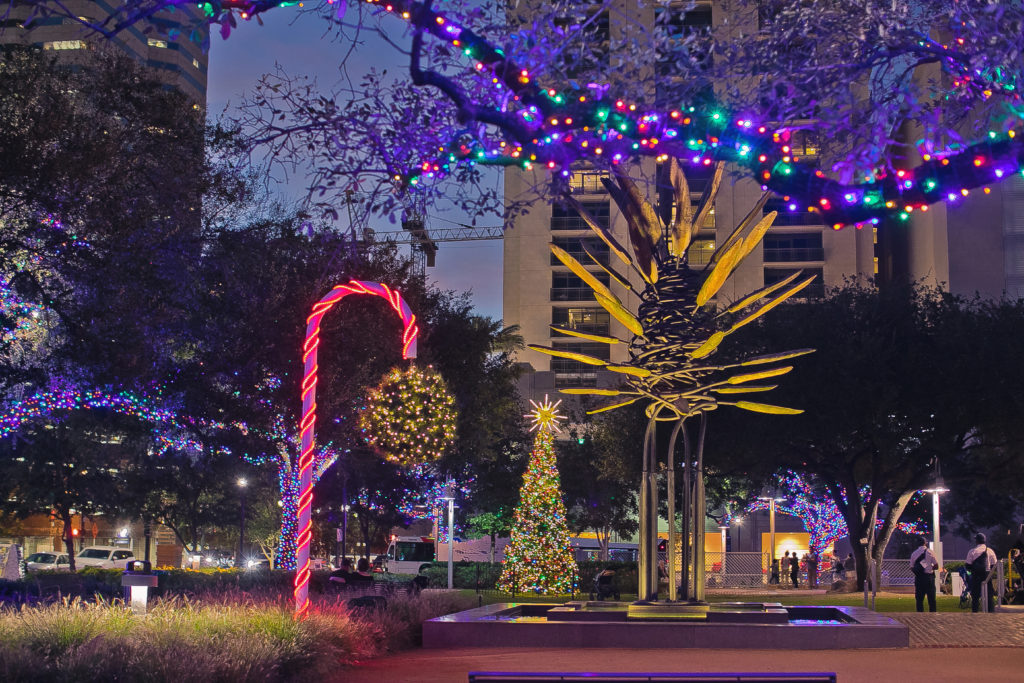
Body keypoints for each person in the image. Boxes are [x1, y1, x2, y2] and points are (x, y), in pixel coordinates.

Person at [965, 533, 998, 612]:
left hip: (976, 575)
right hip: (987, 575)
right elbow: (994, 564)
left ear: (976, 541)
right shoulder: (990, 551)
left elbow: (968, 565)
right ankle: (990, 611)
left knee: (975, 595)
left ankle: (975, 611)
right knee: (989, 594)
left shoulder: (972, 551)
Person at [909, 536, 939, 612]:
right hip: (929, 578)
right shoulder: (930, 552)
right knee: (932, 599)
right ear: (925, 543)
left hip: (919, 578)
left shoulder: (914, 554)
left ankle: (920, 615)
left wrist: (918, 572)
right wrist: (930, 568)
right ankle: (932, 614)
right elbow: (936, 565)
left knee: (919, 600)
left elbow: (912, 567)